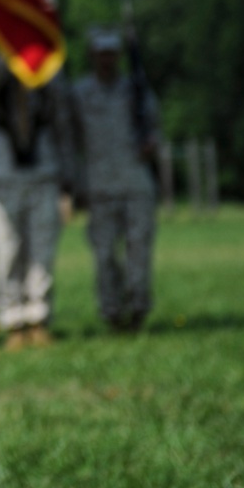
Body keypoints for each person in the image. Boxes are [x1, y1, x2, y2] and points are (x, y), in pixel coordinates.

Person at [0, 56, 73, 349]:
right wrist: (8, 61)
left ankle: (38, 317)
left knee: (42, 250)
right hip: (3, 176)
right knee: (7, 251)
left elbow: (60, 111)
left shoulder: (48, 68)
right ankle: (13, 319)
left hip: (43, 173)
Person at [71, 28, 161, 332]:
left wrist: (151, 145)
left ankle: (138, 308)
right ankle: (111, 311)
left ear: (119, 56)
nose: (107, 60)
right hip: (98, 186)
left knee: (139, 252)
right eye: (101, 54)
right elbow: (71, 141)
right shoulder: (80, 94)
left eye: (112, 54)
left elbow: (155, 129)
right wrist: (76, 184)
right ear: (93, 56)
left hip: (136, 182)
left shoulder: (136, 90)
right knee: (105, 254)